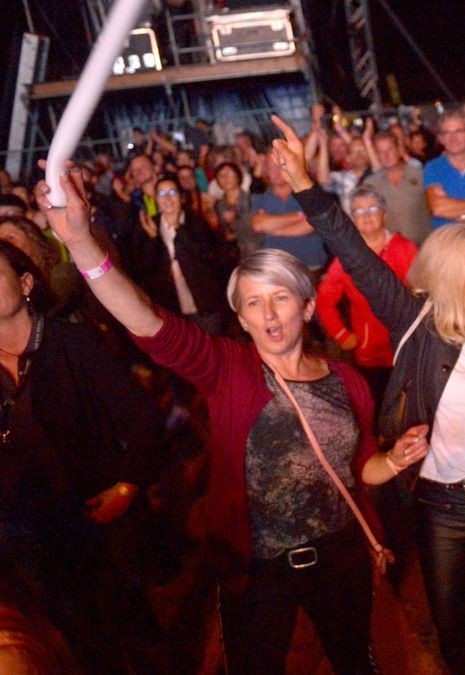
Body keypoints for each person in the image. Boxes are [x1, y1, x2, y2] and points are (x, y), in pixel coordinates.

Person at [36, 165, 393, 674]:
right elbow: (147, 321)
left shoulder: (348, 380)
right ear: (240, 318)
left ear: (308, 307)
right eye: (253, 303)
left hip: (340, 561)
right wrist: (81, 245)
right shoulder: (226, 367)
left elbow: (360, 468)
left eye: (281, 299)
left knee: (354, 660)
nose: (269, 315)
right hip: (255, 569)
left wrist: (394, 468)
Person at [268, 115, 465, 675]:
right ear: (444, 275)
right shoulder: (414, 322)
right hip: (443, 505)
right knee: (454, 625)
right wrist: (308, 186)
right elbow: (353, 252)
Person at [0, 240, 165, 672]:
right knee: (81, 634)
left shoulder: (71, 343)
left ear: (27, 282)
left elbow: (140, 416)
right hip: (28, 531)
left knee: (133, 623)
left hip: (97, 513)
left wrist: (128, 486)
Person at [316, 185, 418, 401]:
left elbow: (425, 293)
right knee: (375, 403)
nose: (367, 216)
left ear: (385, 214)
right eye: (359, 212)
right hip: (368, 352)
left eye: (373, 209)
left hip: (407, 346)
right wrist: (342, 335)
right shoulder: (346, 257)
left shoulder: (407, 249)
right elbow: (324, 301)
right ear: (351, 219)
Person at [129, 174, 232, 335]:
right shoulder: (150, 226)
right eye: (162, 194)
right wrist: (153, 239)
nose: (168, 198)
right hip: (171, 307)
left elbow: (209, 258)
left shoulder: (197, 222)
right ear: (156, 199)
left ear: (181, 197)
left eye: (172, 192)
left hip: (204, 304)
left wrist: (178, 228)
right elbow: (146, 268)